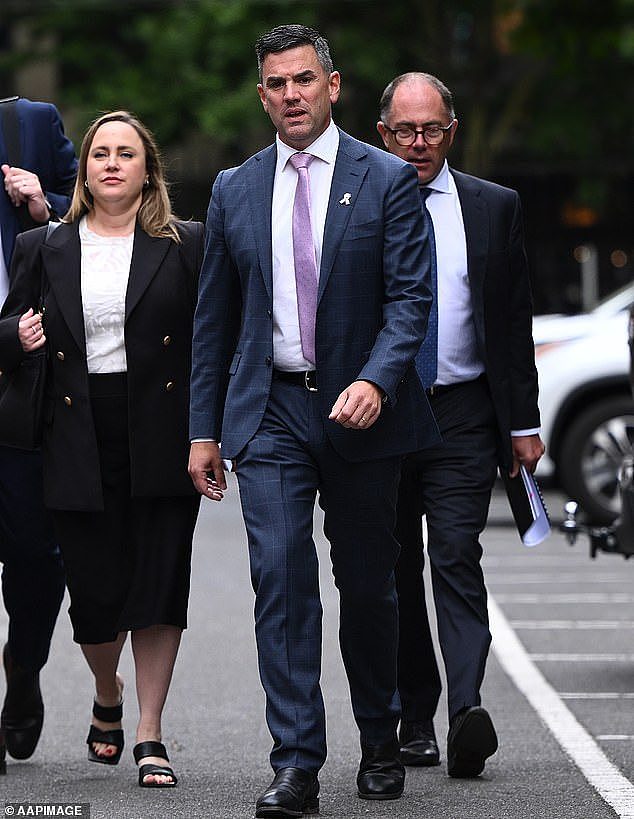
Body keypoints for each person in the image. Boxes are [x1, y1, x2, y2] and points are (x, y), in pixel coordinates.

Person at [189, 24, 439, 816]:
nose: (290, 94)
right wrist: (204, 428)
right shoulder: (234, 187)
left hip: (362, 414)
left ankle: (379, 735)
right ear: (260, 94)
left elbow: (410, 301)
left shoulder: (388, 179)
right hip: (270, 414)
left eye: (303, 79)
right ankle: (296, 761)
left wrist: (375, 378)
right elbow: (213, 324)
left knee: (368, 586)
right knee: (281, 580)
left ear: (334, 87)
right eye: (275, 83)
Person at [0, 110, 203, 787]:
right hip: (73, 430)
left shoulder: (187, 244)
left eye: (126, 153)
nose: (111, 163)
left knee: (158, 585)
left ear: (149, 169)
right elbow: (8, 328)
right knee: (92, 598)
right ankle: (106, 691)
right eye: (99, 154)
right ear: (83, 170)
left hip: (160, 428)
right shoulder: (42, 246)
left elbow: (211, 345)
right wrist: (16, 338)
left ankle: (150, 732)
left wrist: (211, 432)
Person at [377, 72, 545, 778]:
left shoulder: (492, 205)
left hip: (465, 412)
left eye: (432, 129)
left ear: (453, 130)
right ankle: (415, 715)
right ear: (382, 132)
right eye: (405, 131)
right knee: (394, 567)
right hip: (381, 411)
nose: (419, 143)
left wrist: (524, 421)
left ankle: (466, 708)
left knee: (454, 551)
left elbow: (511, 320)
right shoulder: (357, 203)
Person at [0, 96, 76, 773]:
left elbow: (102, 218)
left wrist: (43, 202)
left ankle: (23, 666)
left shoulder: (29, 123)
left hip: (24, 389)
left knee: (34, 557)